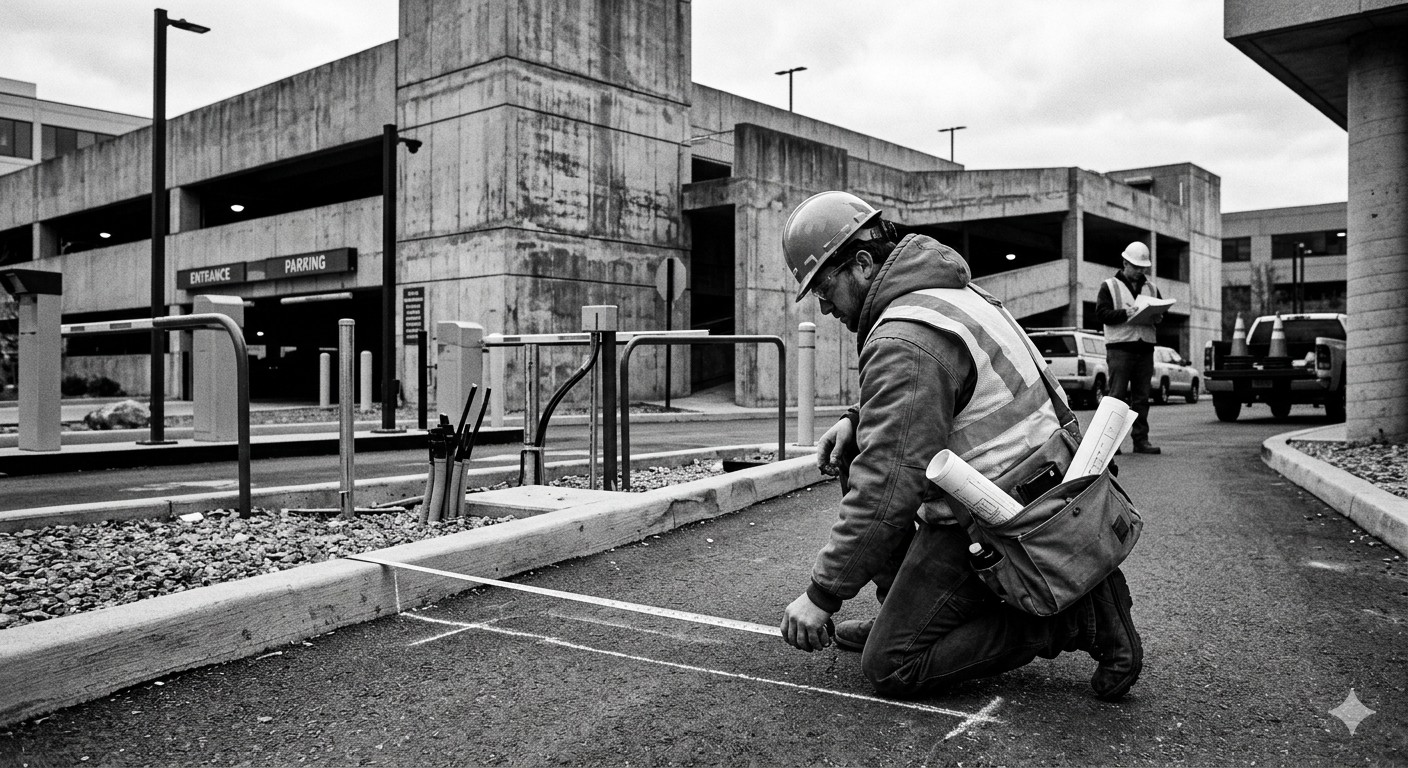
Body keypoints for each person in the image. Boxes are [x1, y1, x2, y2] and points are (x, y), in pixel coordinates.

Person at [776, 191, 1143, 701]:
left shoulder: (906, 337)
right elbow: (942, 395)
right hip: (1045, 485)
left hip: (1006, 517)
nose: (823, 305)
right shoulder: (947, 295)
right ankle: (902, 613)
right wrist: (857, 420)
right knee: (857, 449)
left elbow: (888, 485)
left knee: (892, 665)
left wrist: (823, 594)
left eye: (824, 286)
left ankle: (1070, 619)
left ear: (861, 264)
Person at [1095, 242, 1163, 455]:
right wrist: (1125, 313)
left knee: (1142, 397)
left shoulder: (1151, 288)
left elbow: (1160, 310)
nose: (1141, 271)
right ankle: (1110, 445)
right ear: (1125, 263)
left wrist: (1158, 316)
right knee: (1116, 397)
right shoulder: (1109, 286)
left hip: (1145, 348)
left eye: (1144, 267)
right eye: (1136, 267)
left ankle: (1141, 440)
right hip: (1120, 348)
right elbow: (1101, 314)